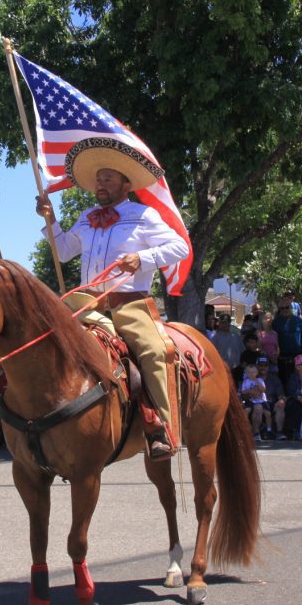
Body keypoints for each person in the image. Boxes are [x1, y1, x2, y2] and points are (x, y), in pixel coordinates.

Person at [35, 142, 189, 460]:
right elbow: (63, 251)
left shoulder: (143, 215)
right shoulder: (87, 216)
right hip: (86, 303)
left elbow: (180, 248)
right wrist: (51, 221)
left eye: (108, 178)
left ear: (125, 184)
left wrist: (143, 258)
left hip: (128, 303)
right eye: (98, 179)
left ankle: (160, 429)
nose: (101, 184)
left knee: (154, 351)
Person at [273, 296, 302, 388]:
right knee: (284, 382)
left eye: (287, 307)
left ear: (291, 307)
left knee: (298, 382)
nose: (285, 310)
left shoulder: (299, 321)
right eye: (282, 308)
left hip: (298, 357)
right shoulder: (275, 322)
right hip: (282, 358)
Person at [257, 357, 286, 440]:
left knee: (281, 405)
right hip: (256, 404)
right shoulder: (252, 378)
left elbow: (281, 395)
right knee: (257, 407)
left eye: (265, 365)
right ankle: (255, 433)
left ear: (268, 367)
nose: (263, 368)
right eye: (260, 365)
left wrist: (281, 400)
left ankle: (279, 432)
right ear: (257, 366)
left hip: (271, 403)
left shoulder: (274, 379)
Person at [240, 364, 269, 440]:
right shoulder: (245, 381)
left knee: (259, 409)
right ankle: (245, 429)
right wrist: (250, 391)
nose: (251, 374)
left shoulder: (260, 380)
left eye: (253, 372)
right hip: (250, 400)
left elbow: (263, 390)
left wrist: (256, 382)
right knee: (246, 411)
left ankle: (256, 430)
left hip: (260, 400)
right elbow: (243, 392)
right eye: (249, 372)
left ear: (257, 373)